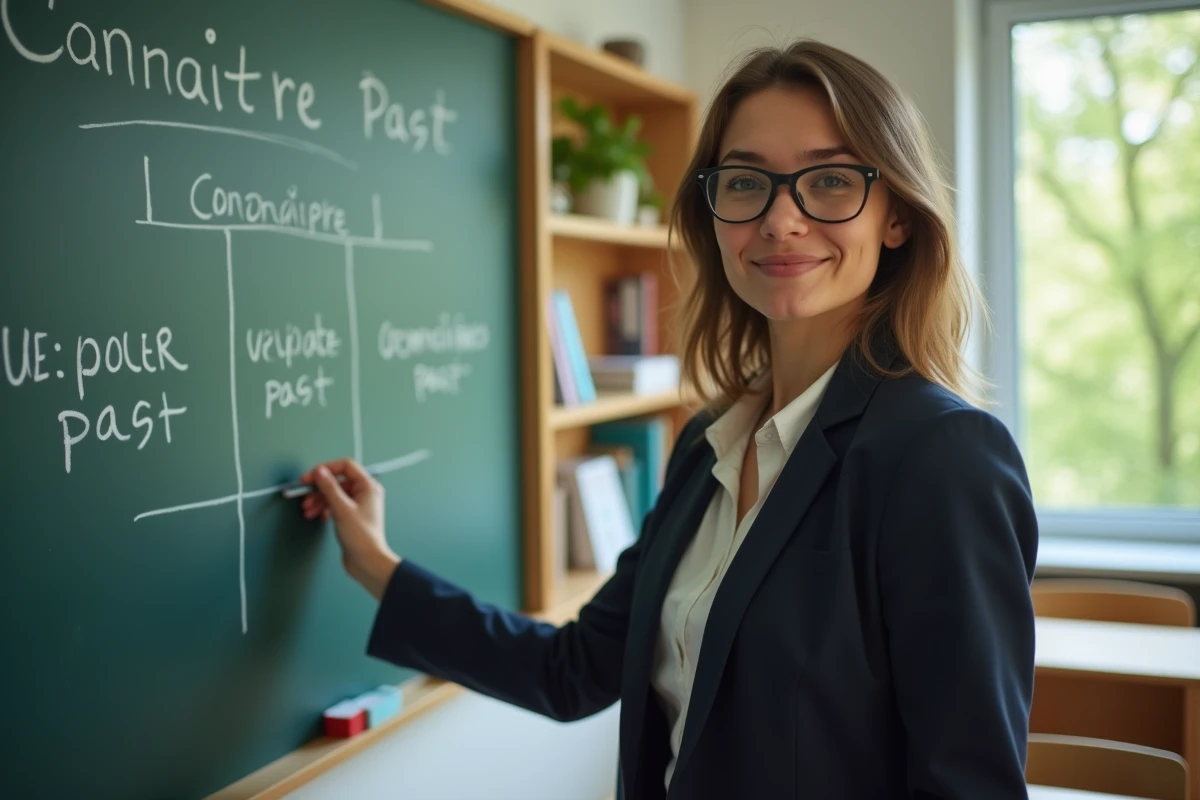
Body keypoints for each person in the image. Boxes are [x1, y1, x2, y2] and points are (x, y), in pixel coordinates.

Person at [299, 38, 1038, 800]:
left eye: (829, 180)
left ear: (897, 217)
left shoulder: (943, 457)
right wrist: (377, 567)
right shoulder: (708, 444)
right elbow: (574, 670)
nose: (781, 219)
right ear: (713, 216)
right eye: (746, 182)